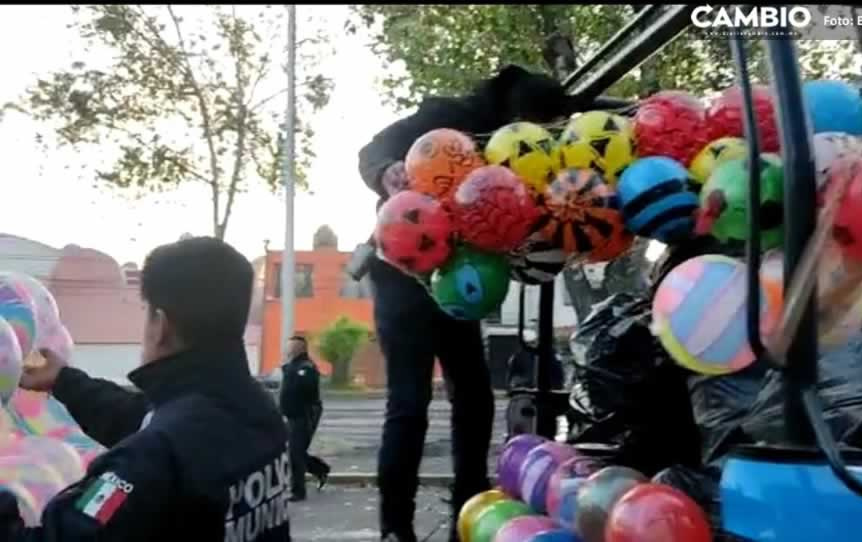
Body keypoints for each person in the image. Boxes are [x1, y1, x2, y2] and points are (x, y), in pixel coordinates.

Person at [357, 64, 580, 542]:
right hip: (404, 271)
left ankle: (468, 511)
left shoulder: (528, 147)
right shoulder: (447, 119)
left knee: (475, 399)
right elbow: (372, 149)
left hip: (459, 277)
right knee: (409, 402)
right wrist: (386, 171)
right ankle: (395, 527)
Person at [0, 236, 291, 541]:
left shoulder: (150, 458)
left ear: (160, 324)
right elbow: (149, 421)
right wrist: (65, 381)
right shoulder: (257, 410)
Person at [280, 334, 331, 500]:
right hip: (292, 416)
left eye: (292, 347)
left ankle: (298, 491)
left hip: (304, 416)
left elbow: (307, 391)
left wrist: (292, 373)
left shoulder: (306, 367)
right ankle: (320, 469)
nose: (288, 349)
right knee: (296, 452)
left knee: (295, 453)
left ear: (300, 349)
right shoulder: (292, 366)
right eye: (288, 346)